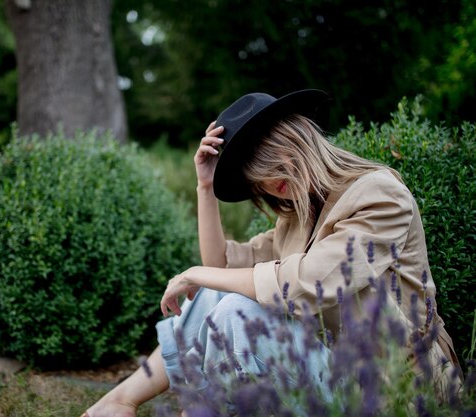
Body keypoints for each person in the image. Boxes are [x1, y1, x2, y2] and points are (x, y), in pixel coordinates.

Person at [82, 90, 462, 417]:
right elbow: (222, 268)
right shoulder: (298, 217)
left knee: (235, 309)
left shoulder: (379, 195)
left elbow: (305, 283)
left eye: (266, 157)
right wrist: (205, 187)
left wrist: (193, 274)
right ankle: (120, 400)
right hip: (332, 369)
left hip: (395, 388)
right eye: (252, 171)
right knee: (222, 294)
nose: (265, 179)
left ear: (295, 137)